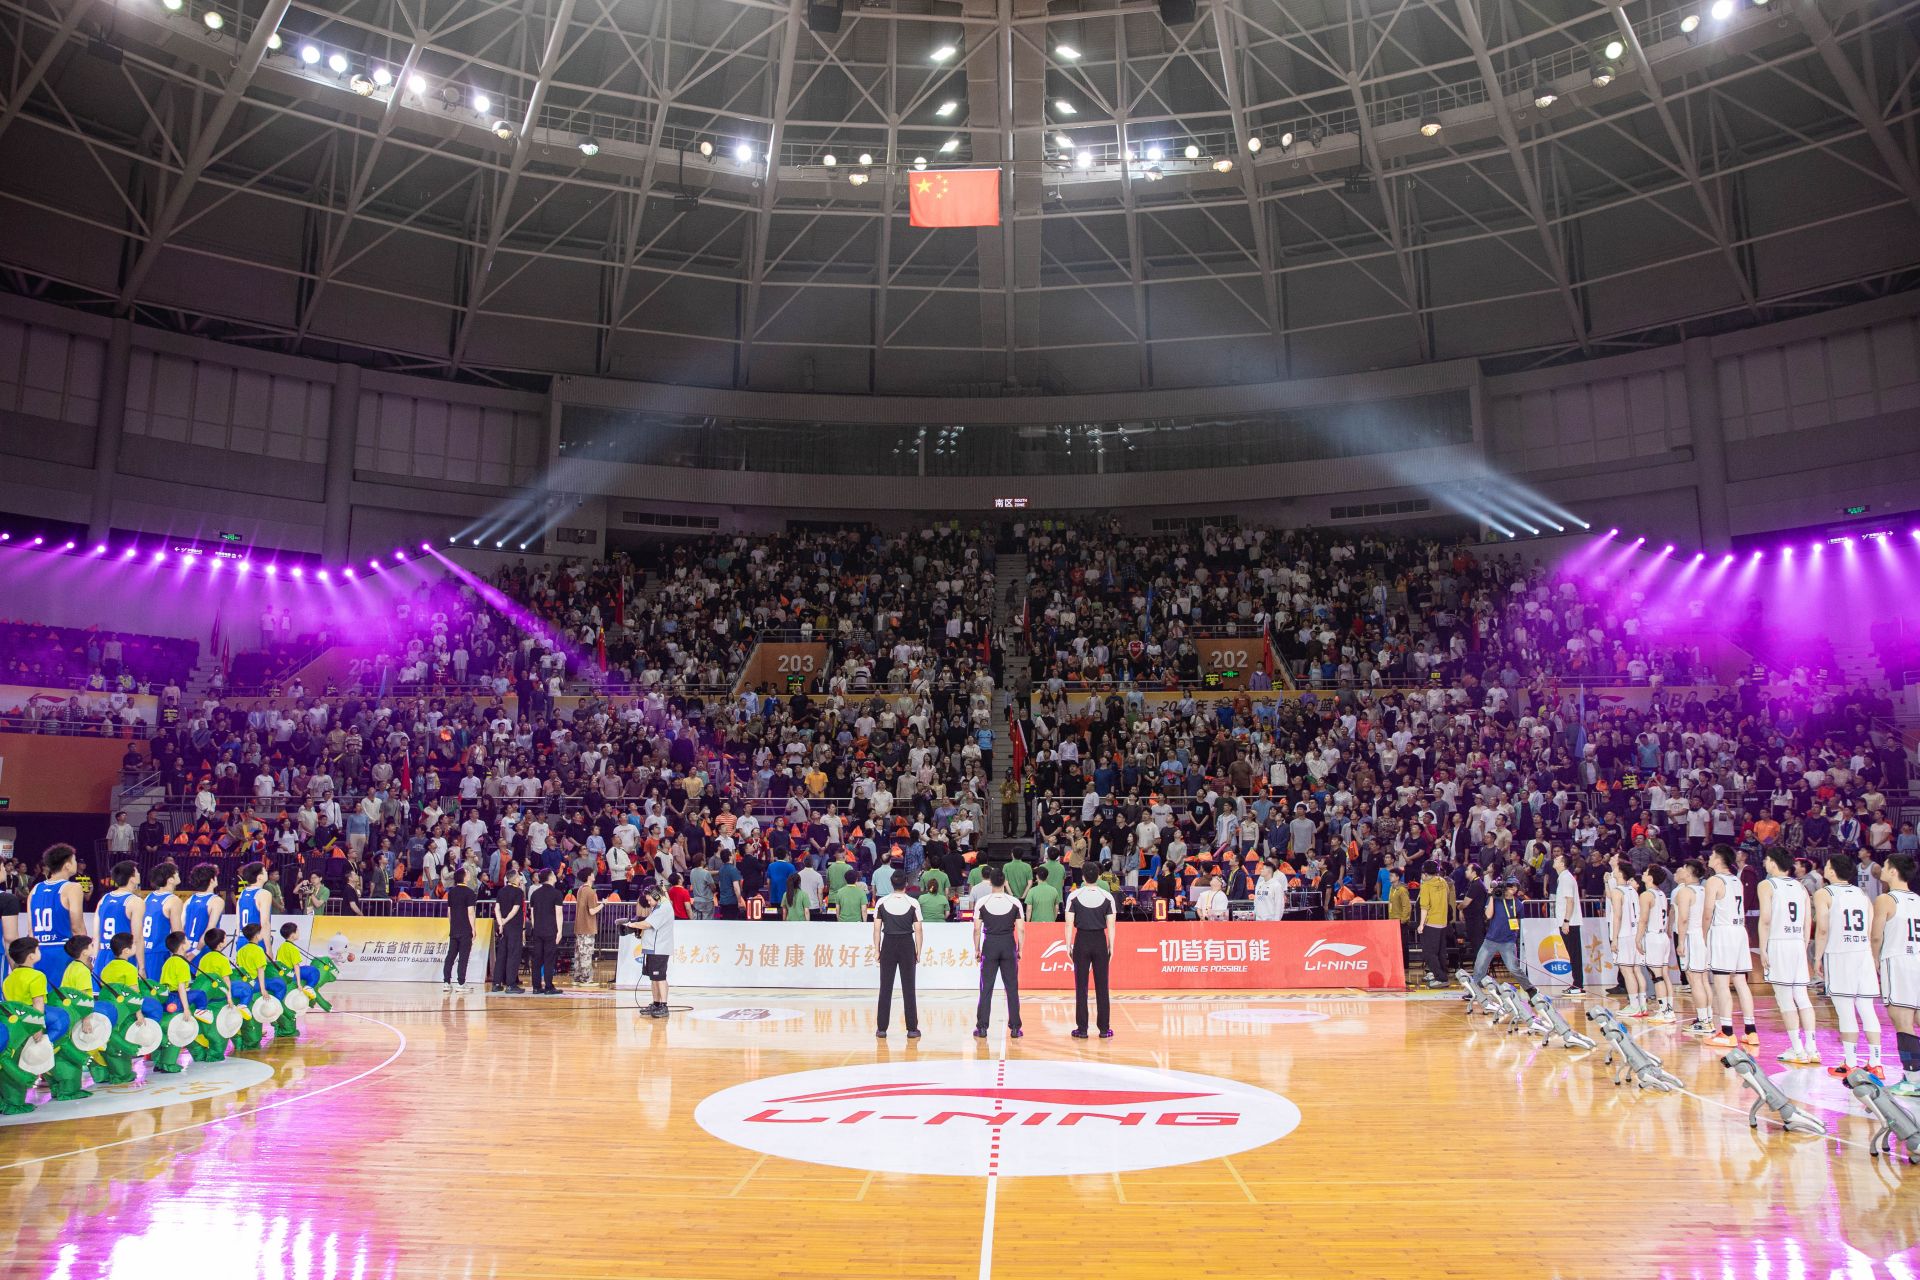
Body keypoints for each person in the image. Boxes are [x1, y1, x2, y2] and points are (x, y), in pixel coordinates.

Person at [1814, 852, 1884, 1079]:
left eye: (1827, 865)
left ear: (1833, 871)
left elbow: (1822, 929)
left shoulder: (1824, 893)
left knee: (1845, 1009)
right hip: (1862, 953)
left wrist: (1817, 957)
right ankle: (1876, 1063)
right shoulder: (1862, 894)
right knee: (1867, 1008)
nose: (1825, 868)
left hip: (1839, 954)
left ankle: (1851, 1063)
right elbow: (1870, 928)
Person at [1757, 849, 1817, 1064]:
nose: (1765, 863)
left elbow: (1765, 919)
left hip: (1779, 942)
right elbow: (1808, 920)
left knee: (1784, 998)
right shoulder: (1800, 886)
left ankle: (1798, 1049)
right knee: (1802, 996)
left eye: (1767, 860)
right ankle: (1812, 1048)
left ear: (1773, 863)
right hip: (1797, 942)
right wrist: (1803, 944)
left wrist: (1763, 948)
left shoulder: (1767, 885)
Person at [1871, 854, 1920, 1096]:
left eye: (1885, 865)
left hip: (1897, 961)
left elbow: (1876, 936)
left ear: (1893, 871)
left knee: (1902, 1020)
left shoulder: (1885, 899)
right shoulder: (1918, 899)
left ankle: (1913, 1079)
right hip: (1917, 959)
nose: (1881, 868)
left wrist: (1873, 961)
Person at [1702, 845, 1758, 1049]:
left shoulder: (1714, 881)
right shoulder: (1736, 879)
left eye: (1712, 855)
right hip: (1739, 931)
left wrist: (1703, 935)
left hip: (1723, 932)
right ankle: (1751, 1031)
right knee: (1740, 982)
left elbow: (1708, 912)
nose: (1709, 858)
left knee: (1722, 983)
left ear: (1719, 859)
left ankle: (1727, 1032)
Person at [973, 865, 1024, 1039]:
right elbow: (1021, 929)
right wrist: (1020, 949)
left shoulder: (982, 902)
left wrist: (977, 949)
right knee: (1012, 987)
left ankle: (982, 1027)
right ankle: (1015, 1028)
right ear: (1005, 882)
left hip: (990, 944)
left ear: (990, 883)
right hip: (1008, 944)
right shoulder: (1015, 902)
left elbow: (977, 929)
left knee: (986, 987)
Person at [1066, 863, 1116, 1039]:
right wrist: (1111, 946)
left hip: (1081, 940)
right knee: (1102, 986)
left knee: (1081, 987)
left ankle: (1082, 1029)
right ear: (1099, 876)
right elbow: (1111, 926)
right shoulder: (1107, 897)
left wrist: (1068, 945)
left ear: (1083, 877)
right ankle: (1104, 1029)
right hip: (1100, 941)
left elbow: (1069, 924)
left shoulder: (1074, 896)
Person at [872, 874, 923, 1039]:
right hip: (907, 944)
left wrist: (877, 950)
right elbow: (919, 930)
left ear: (891, 883)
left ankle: (881, 1029)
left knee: (885, 987)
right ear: (906, 884)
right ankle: (912, 1029)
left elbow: (876, 929)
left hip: (888, 944)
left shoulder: (881, 902)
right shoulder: (913, 903)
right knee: (909, 988)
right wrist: (918, 950)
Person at [28, 845, 84, 990]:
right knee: (65, 999)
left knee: (41, 998)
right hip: (63, 952)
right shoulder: (73, 888)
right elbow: (77, 927)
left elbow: (31, 931)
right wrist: (85, 955)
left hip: (38, 952)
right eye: (74, 860)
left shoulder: (35, 889)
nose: (76, 863)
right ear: (67, 865)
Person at [1471, 879, 1535, 995]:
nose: (1513, 888)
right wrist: (1492, 896)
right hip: (1491, 939)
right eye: (1511, 886)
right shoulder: (1496, 900)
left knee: (1513, 968)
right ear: (1505, 887)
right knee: (1479, 966)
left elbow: (1520, 922)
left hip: (1508, 941)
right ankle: (1473, 991)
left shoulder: (1518, 904)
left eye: (1516, 886)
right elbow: (1488, 915)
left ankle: (1531, 990)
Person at [1672, 859, 1714, 1033]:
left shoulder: (1685, 891)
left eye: (1683, 868)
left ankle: (1703, 1021)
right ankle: (1708, 1018)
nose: (1680, 870)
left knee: (1695, 980)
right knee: (1703, 979)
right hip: (1704, 936)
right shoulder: (1705, 890)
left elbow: (1683, 919)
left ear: (1689, 873)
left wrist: (1681, 942)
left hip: (1691, 936)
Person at [622, 888, 674, 1017]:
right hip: (652, 948)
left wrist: (631, 925)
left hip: (659, 949)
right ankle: (656, 1004)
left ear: (656, 896)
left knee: (660, 977)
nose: (649, 903)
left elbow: (647, 924)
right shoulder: (658, 907)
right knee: (654, 978)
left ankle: (664, 1006)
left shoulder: (664, 908)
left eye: (650, 900)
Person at [1635, 866, 1677, 1023]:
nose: (1643, 874)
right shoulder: (1661, 894)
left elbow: (1643, 919)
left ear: (1651, 878)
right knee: (1664, 975)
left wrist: (1638, 939)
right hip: (1663, 937)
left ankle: (1663, 1010)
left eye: (1645, 873)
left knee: (1657, 977)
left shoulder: (1646, 895)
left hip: (1653, 937)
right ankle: (1669, 1010)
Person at [1608, 861, 1646, 1017]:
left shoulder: (1618, 891)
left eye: (1616, 868)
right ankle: (1642, 1005)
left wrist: (1614, 938)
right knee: (1637, 970)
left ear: (1620, 872)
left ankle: (1634, 1006)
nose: (1614, 870)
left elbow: (1617, 916)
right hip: (1635, 933)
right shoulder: (1632, 890)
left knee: (1626, 970)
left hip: (1624, 934)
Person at [95, 861, 142, 979]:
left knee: (101, 991)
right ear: (132, 878)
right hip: (123, 956)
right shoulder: (135, 901)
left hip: (103, 955)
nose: (139, 874)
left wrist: (95, 959)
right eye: (137, 872)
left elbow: (96, 936)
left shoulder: (104, 899)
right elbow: (137, 938)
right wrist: (142, 967)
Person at [141, 862, 183, 981]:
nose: (179, 875)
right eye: (176, 873)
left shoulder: (148, 897)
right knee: (159, 989)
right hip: (159, 951)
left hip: (143, 950)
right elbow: (177, 933)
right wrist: (181, 955)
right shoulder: (173, 900)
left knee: (145, 988)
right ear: (170, 880)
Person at [1551, 852, 1585, 996]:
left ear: (1562, 863)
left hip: (1570, 922)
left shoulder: (1566, 878)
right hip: (1569, 922)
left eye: (1557, 859)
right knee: (1573, 954)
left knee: (1574, 954)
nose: (1554, 859)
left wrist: (1566, 921)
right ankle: (1577, 984)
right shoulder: (1564, 877)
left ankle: (1578, 985)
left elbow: (1570, 901)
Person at [527, 868, 563, 995]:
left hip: (537, 930)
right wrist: (559, 931)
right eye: (553, 874)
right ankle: (548, 986)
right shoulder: (557, 893)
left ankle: (536, 987)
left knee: (537, 959)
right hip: (550, 930)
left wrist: (535, 928)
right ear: (550, 877)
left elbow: (532, 914)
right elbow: (559, 914)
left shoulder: (535, 893)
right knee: (549, 958)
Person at [1417, 864, 1453, 988]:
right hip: (1442, 922)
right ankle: (1442, 975)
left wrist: (1421, 924)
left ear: (1425, 873)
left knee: (1429, 953)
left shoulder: (1426, 885)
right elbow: (1447, 899)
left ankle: (1440, 978)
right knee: (1441, 952)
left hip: (1431, 923)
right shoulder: (1443, 882)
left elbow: (1424, 907)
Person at [444, 866, 478, 991]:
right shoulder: (469, 892)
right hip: (465, 928)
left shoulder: (451, 892)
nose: (469, 874)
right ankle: (461, 983)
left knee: (450, 956)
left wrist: (452, 925)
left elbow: (449, 912)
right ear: (464, 877)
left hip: (454, 928)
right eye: (467, 872)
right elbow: (471, 912)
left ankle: (446, 982)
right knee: (463, 957)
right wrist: (473, 928)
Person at [492, 868, 526, 992]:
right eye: (518, 876)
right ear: (515, 878)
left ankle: (497, 983)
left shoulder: (501, 891)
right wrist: (505, 921)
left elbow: (496, 909)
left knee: (502, 955)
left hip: (503, 927)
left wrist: (501, 923)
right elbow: (515, 910)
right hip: (514, 926)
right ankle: (511, 984)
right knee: (513, 954)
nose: (520, 878)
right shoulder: (518, 892)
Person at [182, 865, 225, 957]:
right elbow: (210, 929)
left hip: (186, 948)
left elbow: (180, 926)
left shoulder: (189, 900)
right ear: (212, 880)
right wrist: (196, 951)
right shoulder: (216, 901)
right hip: (203, 949)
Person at [572, 869, 601, 987]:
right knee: (586, 954)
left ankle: (577, 977)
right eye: (592, 873)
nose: (594, 875)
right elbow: (592, 911)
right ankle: (586, 979)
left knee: (579, 954)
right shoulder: (590, 891)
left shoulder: (580, 889)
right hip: (587, 926)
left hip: (579, 926)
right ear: (589, 876)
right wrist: (603, 904)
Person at [236, 861, 272, 937]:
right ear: (259, 877)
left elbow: (238, 920)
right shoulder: (264, 894)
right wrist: (268, 944)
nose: (267, 872)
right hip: (256, 938)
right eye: (265, 871)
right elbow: (265, 923)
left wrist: (238, 938)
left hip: (242, 938)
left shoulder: (243, 892)